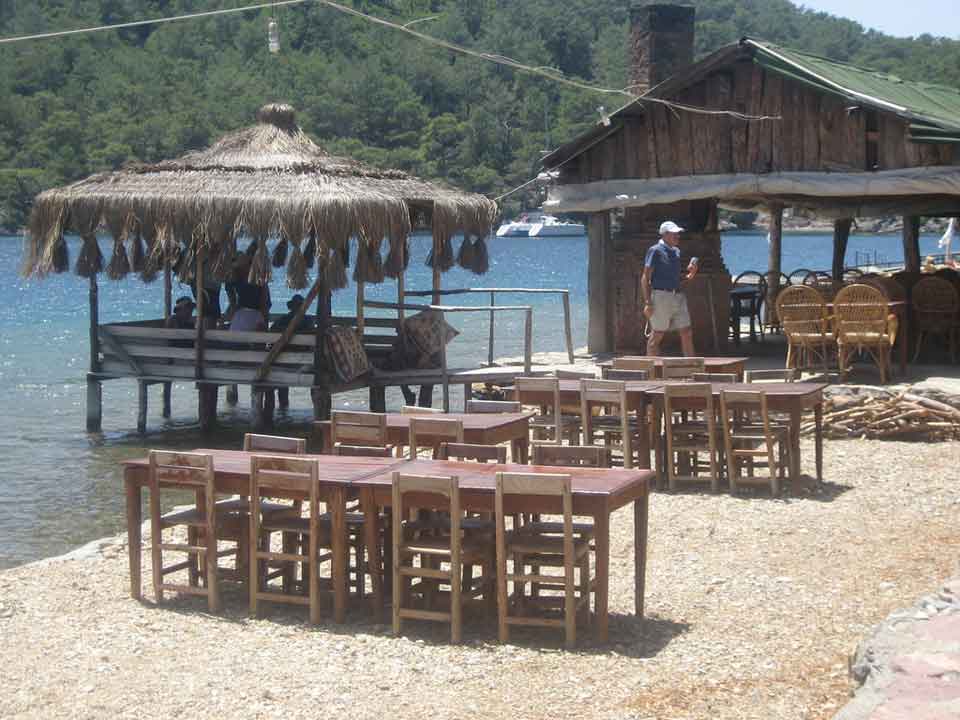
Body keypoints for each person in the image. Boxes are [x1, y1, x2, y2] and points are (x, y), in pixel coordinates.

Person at [641, 220, 699, 356]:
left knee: (687, 332)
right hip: (661, 296)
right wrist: (648, 303)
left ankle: (691, 366)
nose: (678, 236)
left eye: (678, 234)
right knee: (657, 335)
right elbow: (645, 277)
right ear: (665, 234)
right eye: (674, 234)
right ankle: (651, 367)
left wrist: (691, 273)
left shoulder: (676, 252)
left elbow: (678, 279)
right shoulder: (655, 250)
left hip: (678, 296)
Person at [268, 294, 314, 410]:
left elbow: (271, 332)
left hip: (281, 361)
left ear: (291, 307)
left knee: (281, 383)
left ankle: (283, 409)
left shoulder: (282, 320)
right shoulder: (308, 321)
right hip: (302, 362)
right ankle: (285, 409)